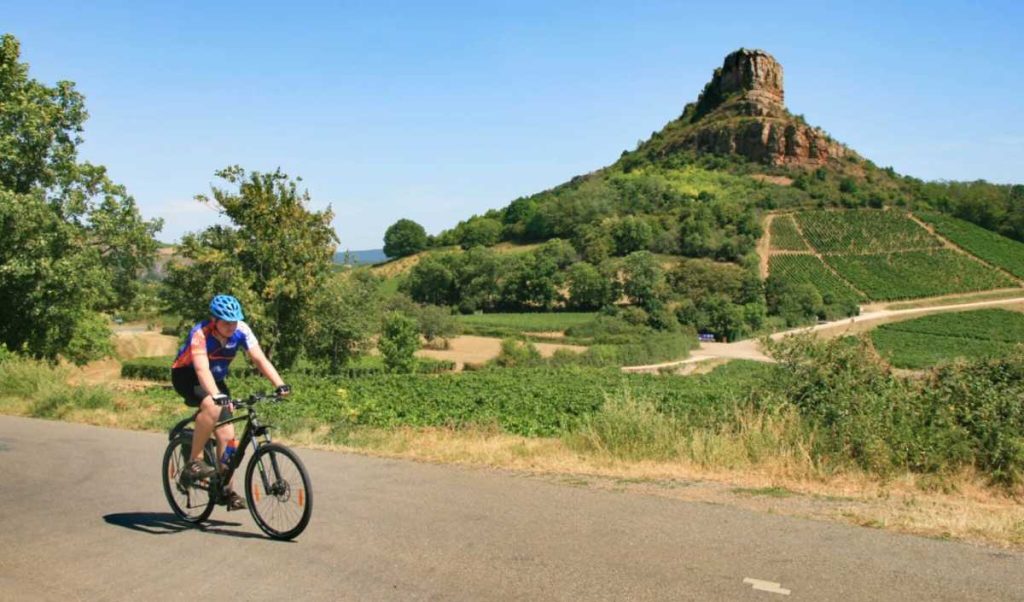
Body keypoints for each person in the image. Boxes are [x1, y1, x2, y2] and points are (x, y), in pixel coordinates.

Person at [171, 294, 289, 510]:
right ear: (214, 320)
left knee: (228, 435)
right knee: (212, 405)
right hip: (187, 376)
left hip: (215, 379)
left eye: (234, 321)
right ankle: (194, 461)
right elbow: (201, 369)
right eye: (226, 323)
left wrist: (279, 384)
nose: (231, 327)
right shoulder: (200, 333)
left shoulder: (242, 330)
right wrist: (216, 395)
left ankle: (225, 490)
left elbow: (259, 358)